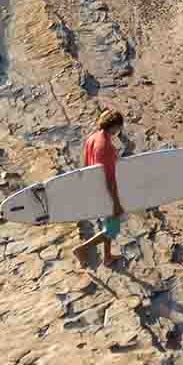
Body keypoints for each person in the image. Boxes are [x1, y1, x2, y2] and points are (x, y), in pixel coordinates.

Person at [73, 110, 130, 267]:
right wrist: (116, 203)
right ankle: (82, 249)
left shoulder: (93, 138)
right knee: (112, 229)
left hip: (96, 189)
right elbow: (110, 179)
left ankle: (107, 257)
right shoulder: (105, 146)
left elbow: (86, 166)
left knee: (108, 224)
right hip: (106, 193)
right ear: (115, 126)